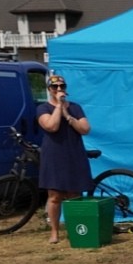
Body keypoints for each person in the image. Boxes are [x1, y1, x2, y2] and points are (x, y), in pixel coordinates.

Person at [36, 74, 93, 244]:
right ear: (49, 90)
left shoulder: (75, 108)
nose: (59, 89)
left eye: (62, 86)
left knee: (74, 194)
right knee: (55, 195)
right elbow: (51, 126)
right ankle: (54, 231)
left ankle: (75, 228)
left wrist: (68, 115)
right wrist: (59, 107)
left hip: (73, 152)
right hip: (54, 154)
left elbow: (85, 129)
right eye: (55, 87)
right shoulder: (43, 108)